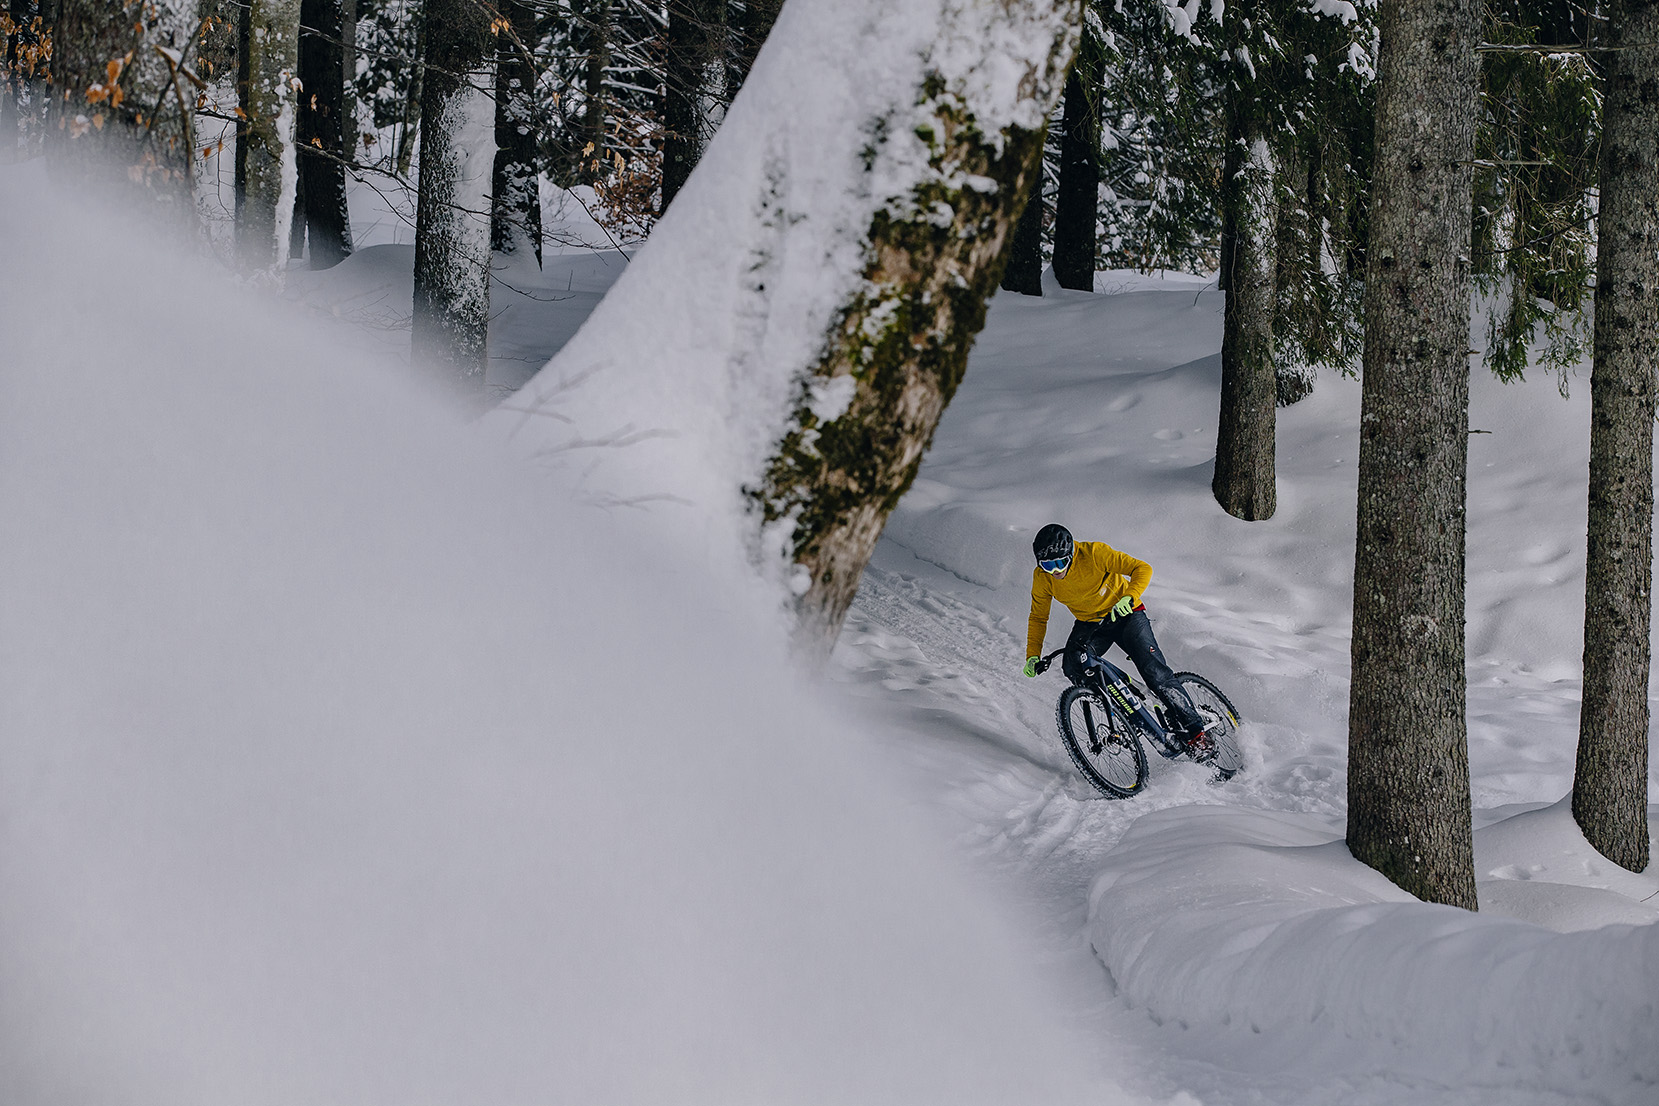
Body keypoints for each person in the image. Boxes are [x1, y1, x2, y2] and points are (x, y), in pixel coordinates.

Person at [1021, 523, 1211, 749]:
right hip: (1090, 623)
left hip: (1125, 613)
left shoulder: (1094, 553)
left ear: (1071, 554)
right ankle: (1123, 712)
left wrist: (1129, 597)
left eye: (1060, 563)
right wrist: (1032, 655)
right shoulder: (1042, 578)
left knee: (1154, 671)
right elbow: (1038, 617)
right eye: (1047, 565)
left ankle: (1197, 732)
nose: (1055, 571)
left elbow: (1142, 568)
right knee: (1073, 666)